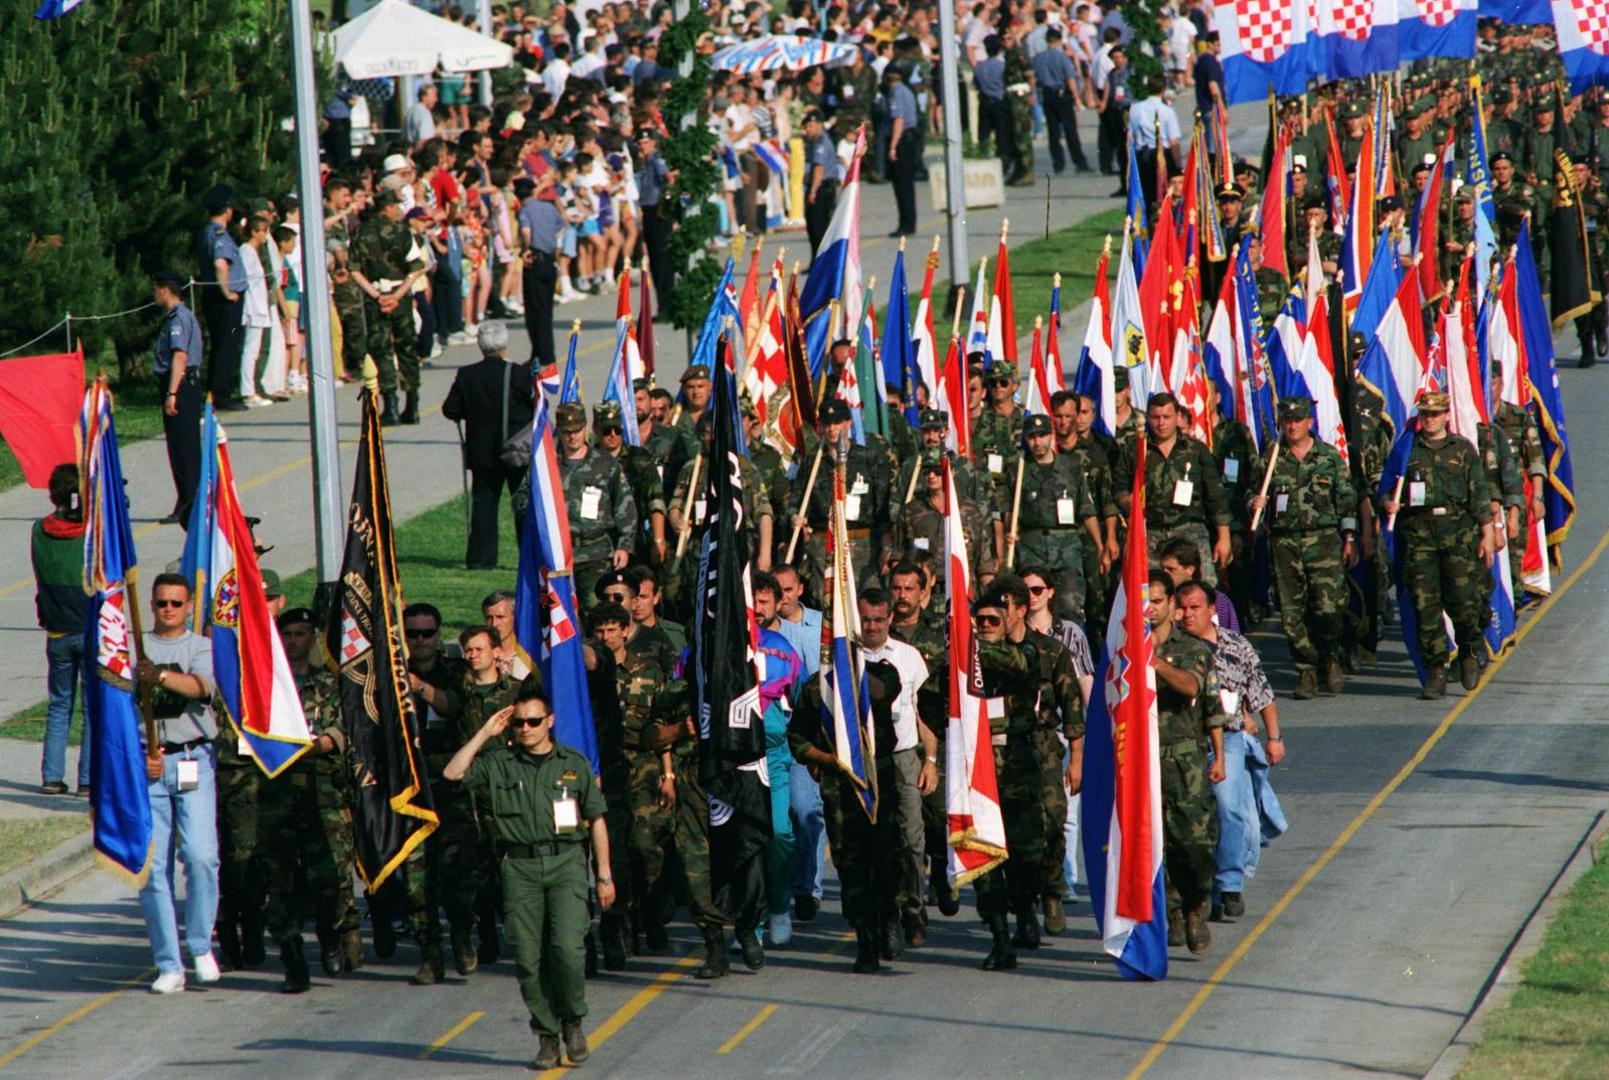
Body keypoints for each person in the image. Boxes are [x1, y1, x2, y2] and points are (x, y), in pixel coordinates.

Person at [444, 686, 614, 1071]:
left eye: (534, 721)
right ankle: (547, 1036)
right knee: (528, 957)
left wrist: (603, 875)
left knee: (568, 951)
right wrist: (485, 733)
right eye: (519, 723)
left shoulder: (573, 763)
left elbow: (597, 819)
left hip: (566, 862)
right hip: (519, 867)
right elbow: (453, 772)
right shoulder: (499, 762)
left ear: (550, 722)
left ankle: (572, 1021)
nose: (525, 729)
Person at [790, 620, 906, 973]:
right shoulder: (816, 688)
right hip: (840, 790)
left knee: (887, 860)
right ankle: (866, 941)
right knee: (852, 866)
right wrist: (826, 759)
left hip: (879, 782)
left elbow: (884, 693)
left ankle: (890, 915)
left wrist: (848, 673)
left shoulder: (881, 674)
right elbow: (797, 738)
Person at [1175, 581, 1286, 922]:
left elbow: (1261, 693)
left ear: (1212, 610)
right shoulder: (1170, 648)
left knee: (1228, 807)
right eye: (1184, 608)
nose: (1189, 614)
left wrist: (1273, 737)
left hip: (1230, 737)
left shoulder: (1236, 647)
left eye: (1196, 607)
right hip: (1185, 741)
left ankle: (1229, 884)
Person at [261, 607, 360, 992]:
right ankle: (292, 959)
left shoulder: (328, 684)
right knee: (281, 881)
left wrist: (315, 744)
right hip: (277, 792)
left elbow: (342, 730)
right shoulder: (268, 686)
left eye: (302, 633)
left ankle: (331, 936)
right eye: (287, 634)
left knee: (331, 876)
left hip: (324, 791)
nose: (294, 641)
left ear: (313, 637)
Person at [135, 573, 222, 993]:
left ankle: (201, 943)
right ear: (150, 605)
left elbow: (201, 688)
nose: (167, 609)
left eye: (175, 603)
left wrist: (160, 677)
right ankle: (168, 963)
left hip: (193, 761)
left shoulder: (199, 647)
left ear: (189, 606)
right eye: (160, 603)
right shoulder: (136, 649)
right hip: (148, 765)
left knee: (201, 855)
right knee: (153, 869)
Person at [1381, 392, 1497, 698]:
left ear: (1447, 415)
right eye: (1425, 414)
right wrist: (1387, 503)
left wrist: (1487, 532)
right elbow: (1387, 487)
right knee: (1425, 606)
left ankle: (1470, 650)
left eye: (1435, 414)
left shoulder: (1462, 449)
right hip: (1419, 537)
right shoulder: (1407, 450)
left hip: (1458, 536)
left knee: (1464, 601)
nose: (1429, 419)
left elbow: (1479, 495)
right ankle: (1435, 669)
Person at [1251, 397, 1359, 699]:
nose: (1292, 425)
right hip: (1284, 543)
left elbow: (1346, 498)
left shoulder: (1328, 457)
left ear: (1309, 422)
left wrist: (1349, 537)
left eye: (1298, 420)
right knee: (1291, 613)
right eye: (1287, 420)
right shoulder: (1273, 458)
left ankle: (1330, 655)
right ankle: (1307, 670)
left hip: (1322, 540)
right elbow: (1253, 491)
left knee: (1327, 608)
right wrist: (1255, 503)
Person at [1147, 572, 1225, 956]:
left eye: (1157, 601)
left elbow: (1196, 690)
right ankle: (1173, 911)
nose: (1150, 609)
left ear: (1171, 608)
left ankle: (1196, 904)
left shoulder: (1191, 649)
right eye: (1144, 601)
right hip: (1145, 764)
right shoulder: (1123, 649)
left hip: (1185, 763)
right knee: (1155, 846)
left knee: (1194, 844)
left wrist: (1220, 756)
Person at [854, 588, 937, 948]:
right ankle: (884, 916)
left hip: (903, 759)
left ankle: (913, 908)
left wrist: (930, 760)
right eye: (865, 620)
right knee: (872, 847)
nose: (871, 627)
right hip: (861, 761)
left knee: (911, 840)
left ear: (890, 619)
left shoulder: (909, 657)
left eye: (878, 619)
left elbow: (926, 716)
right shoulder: (844, 659)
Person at [443, 321, 535, 569]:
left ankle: (481, 559)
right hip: (517, 452)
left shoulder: (467, 375)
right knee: (523, 504)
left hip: (482, 453)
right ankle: (530, 556)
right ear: (504, 344)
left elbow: (450, 409)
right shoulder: (519, 374)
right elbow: (535, 406)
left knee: (484, 505)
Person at [1010, 414, 1105, 622]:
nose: (1038, 442)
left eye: (1042, 435)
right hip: (1031, 548)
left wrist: (1099, 545)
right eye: (1032, 437)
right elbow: (1009, 511)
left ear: (1051, 436)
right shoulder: (1019, 469)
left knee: (1070, 609)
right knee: (1033, 608)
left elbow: (1086, 509)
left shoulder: (1071, 467)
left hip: (1067, 549)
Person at [33, 464, 90, 796]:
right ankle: (87, 780)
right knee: (91, 709)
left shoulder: (38, 530)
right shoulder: (91, 532)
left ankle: (51, 776)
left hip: (56, 630)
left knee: (59, 704)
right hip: (88, 628)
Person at [350, 189, 426, 426]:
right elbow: (416, 267)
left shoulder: (362, 232)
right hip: (399, 294)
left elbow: (354, 269)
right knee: (407, 348)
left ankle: (390, 406)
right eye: (396, 206)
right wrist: (398, 295)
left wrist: (376, 295)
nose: (399, 210)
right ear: (387, 207)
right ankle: (412, 405)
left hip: (376, 295)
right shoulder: (403, 231)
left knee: (381, 349)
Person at [556, 402, 638, 605]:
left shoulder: (606, 464)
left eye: (576, 430)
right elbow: (522, 499)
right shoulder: (549, 464)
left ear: (585, 427)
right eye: (566, 432)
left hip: (596, 553)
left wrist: (624, 546)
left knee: (596, 613)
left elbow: (624, 506)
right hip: (557, 555)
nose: (572, 436)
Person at [151, 270, 205, 526]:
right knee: (180, 446)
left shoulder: (178, 319)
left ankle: (189, 501)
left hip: (181, 386)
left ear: (165, 289)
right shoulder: (178, 317)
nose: (154, 294)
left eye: (155, 289)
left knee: (184, 447)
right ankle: (185, 498)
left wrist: (172, 393)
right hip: (181, 385)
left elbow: (179, 357)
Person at [196, 185, 248, 412]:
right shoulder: (217, 233)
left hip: (218, 298)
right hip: (224, 300)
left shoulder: (210, 232)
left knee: (222, 345)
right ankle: (222, 394)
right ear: (227, 210)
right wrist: (227, 292)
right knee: (226, 346)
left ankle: (217, 390)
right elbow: (220, 264)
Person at [517, 174, 564, 367]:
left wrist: (526, 251)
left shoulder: (525, 211)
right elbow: (560, 227)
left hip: (536, 260)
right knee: (546, 309)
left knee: (536, 311)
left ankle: (542, 354)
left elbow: (526, 233)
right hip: (550, 260)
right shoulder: (548, 207)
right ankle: (543, 352)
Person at [1032, 27, 1091, 174]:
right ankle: (1079, 162)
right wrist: (1077, 97)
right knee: (1070, 130)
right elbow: (1070, 78)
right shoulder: (1062, 57)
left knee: (1053, 133)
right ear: (1058, 41)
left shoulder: (1038, 58)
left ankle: (1058, 164)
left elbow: (1034, 78)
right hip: (1062, 95)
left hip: (1047, 95)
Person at [884, 65, 920, 237]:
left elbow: (898, 120)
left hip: (902, 140)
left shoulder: (896, 93)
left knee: (902, 184)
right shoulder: (906, 90)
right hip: (909, 137)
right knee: (906, 184)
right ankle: (908, 222)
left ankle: (906, 223)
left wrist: (892, 146)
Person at [802, 108, 842, 258]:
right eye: (806, 127)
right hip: (820, 186)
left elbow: (819, 169)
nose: (807, 130)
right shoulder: (814, 142)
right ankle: (816, 260)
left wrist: (812, 191)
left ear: (819, 125)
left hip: (822, 188)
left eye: (810, 126)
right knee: (813, 227)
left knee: (819, 227)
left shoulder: (821, 143)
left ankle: (821, 261)